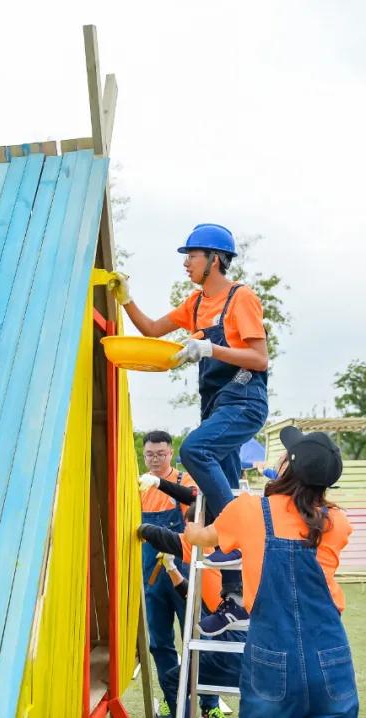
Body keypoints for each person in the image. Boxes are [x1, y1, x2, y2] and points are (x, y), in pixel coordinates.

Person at [109, 223, 269, 636]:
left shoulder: (241, 297)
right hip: (216, 408)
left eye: (192, 256)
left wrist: (209, 347)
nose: (185, 263)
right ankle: (234, 601)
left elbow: (259, 358)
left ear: (214, 259)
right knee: (223, 487)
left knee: (195, 451)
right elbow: (151, 330)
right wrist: (126, 301)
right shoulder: (195, 304)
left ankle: (224, 540)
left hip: (244, 402)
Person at [183, 428, 358, 717]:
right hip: (330, 651)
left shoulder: (250, 510)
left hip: (272, 653)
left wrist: (191, 533)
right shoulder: (336, 521)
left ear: (288, 467)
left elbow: (205, 537)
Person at [139, 518, 240, 718]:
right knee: (164, 644)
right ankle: (188, 706)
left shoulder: (204, 555)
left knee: (192, 655)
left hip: (233, 658)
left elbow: (165, 537)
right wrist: (171, 568)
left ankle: (204, 706)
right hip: (257, 653)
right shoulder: (233, 561)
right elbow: (191, 594)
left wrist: (140, 528)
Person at [138, 431, 201, 715]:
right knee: (159, 644)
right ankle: (173, 702)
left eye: (160, 454)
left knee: (195, 639)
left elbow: (196, 503)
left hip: (183, 573)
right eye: (149, 454)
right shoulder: (138, 486)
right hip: (151, 577)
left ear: (171, 452)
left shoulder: (184, 482)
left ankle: (208, 703)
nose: (154, 459)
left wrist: (160, 484)